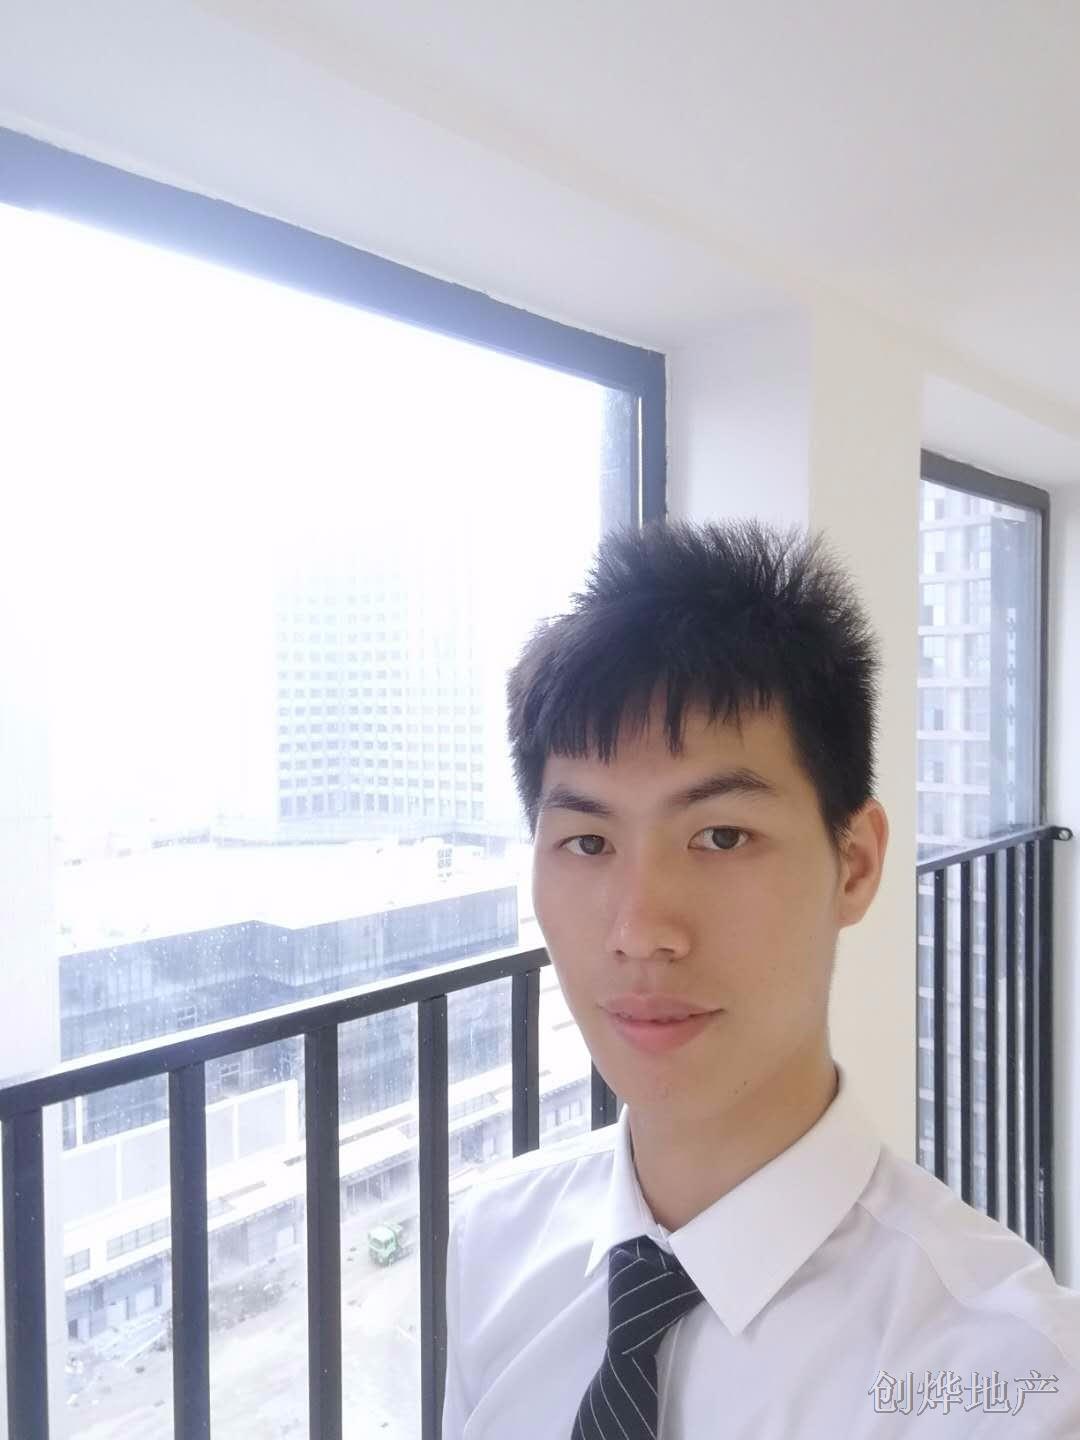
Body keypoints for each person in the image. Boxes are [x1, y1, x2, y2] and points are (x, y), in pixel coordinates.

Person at [440, 516, 1080, 1438]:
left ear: (854, 864)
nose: (640, 932)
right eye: (587, 841)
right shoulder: (496, 1243)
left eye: (721, 835)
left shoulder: (1005, 1379)